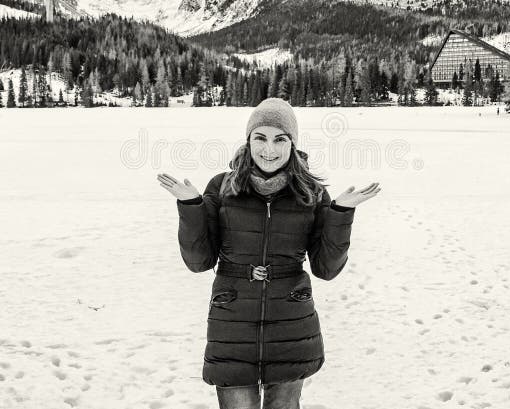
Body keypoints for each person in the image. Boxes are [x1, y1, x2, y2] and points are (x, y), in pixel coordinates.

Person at [157, 97, 380, 409]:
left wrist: (340, 213)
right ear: (248, 141)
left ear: (292, 144)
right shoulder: (223, 187)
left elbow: (326, 268)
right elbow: (199, 261)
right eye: (260, 138)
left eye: (280, 139)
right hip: (232, 324)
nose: (269, 150)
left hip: (291, 324)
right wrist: (191, 206)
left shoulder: (311, 193)